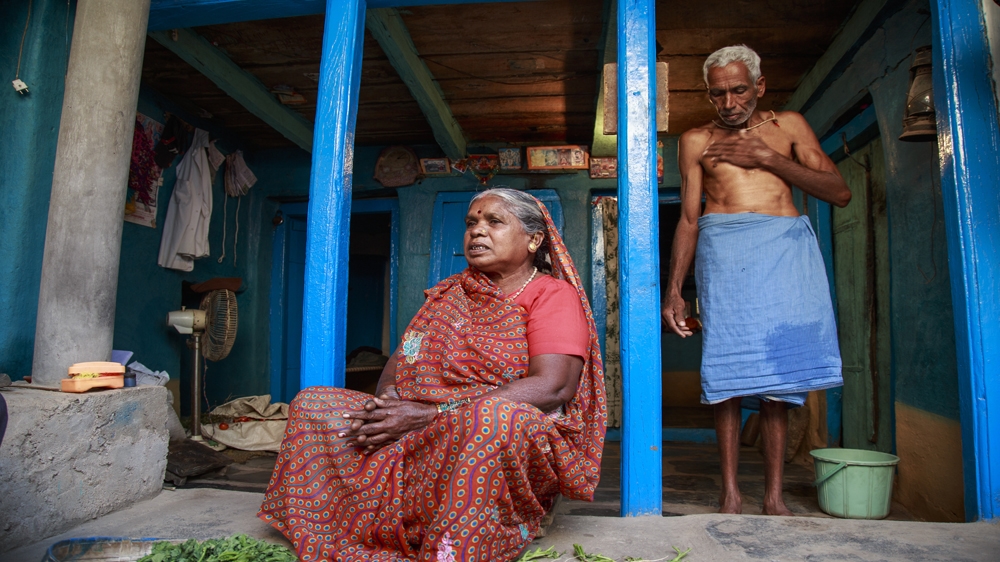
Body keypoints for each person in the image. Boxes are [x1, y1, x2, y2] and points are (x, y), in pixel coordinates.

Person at [260, 188, 607, 561]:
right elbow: (403, 360)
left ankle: (458, 541)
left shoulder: (551, 295)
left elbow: (553, 386)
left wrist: (432, 414)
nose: (477, 231)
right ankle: (349, 521)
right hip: (421, 422)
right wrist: (390, 402)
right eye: (471, 223)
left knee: (494, 418)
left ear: (534, 240)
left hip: (499, 431)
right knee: (314, 403)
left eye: (494, 221)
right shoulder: (449, 295)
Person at [661, 45, 851, 516]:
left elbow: (839, 192)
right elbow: (689, 219)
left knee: (777, 381)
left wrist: (767, 157)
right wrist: (674, 290)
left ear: (760, 86)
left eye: (739, 90)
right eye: (718, 93)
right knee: (726, 375)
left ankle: (773, 496)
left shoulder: (790, 126)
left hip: (784, 253)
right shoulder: (695, 140)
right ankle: (730, 493)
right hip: (725, 256)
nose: (729, 103)